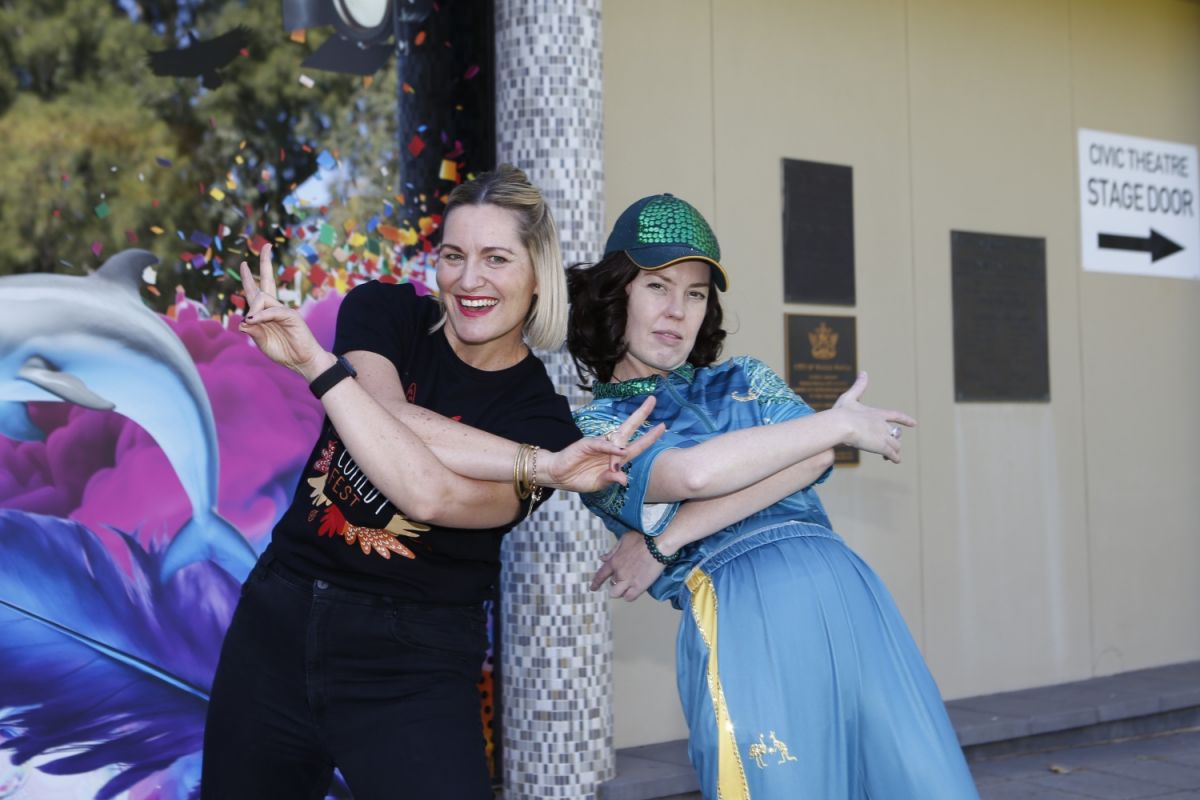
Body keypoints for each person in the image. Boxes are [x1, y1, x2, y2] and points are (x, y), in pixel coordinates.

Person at [201, 165, 661, 800]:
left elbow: (431, 495)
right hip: (279, 622)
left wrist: (545, 461)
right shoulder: (386, 312)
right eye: (453, 256)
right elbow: (384, 414)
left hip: (410, 661)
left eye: (496, 259)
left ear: (536, 276)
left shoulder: (544, 420)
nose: (469, 280)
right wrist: (535, 465)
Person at [567, 194, 979, 799]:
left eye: (696, 293)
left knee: (922, 783)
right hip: (738, 606)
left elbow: (810, 459)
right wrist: (835, 424)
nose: (677, 310)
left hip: (848, 592)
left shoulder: (745, 376)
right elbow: (693, 475)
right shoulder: (595, 429)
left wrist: (666, 538)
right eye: (657, 286)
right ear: (615, 292)